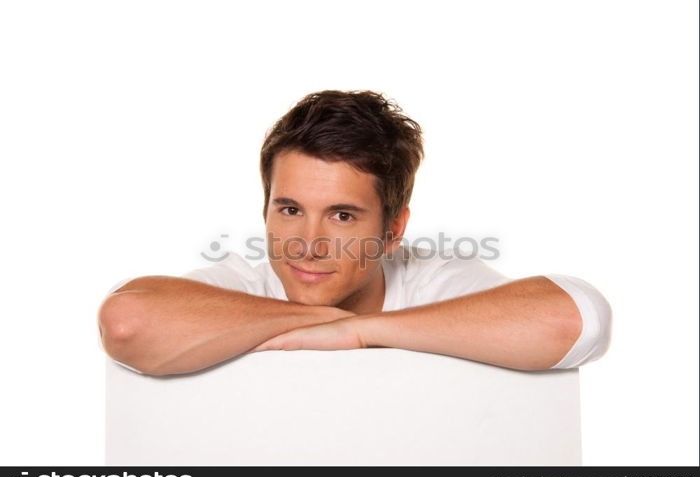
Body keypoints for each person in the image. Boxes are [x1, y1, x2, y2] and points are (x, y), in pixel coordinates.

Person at [97, 90, 612, 376]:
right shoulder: (243, 283)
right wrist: (323, 316)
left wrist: (361, 331)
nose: (307, 243)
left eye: (342, 216)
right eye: (290, 208)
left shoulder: (431, 278)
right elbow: (126, 322)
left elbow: (577, 319)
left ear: (393, 230)